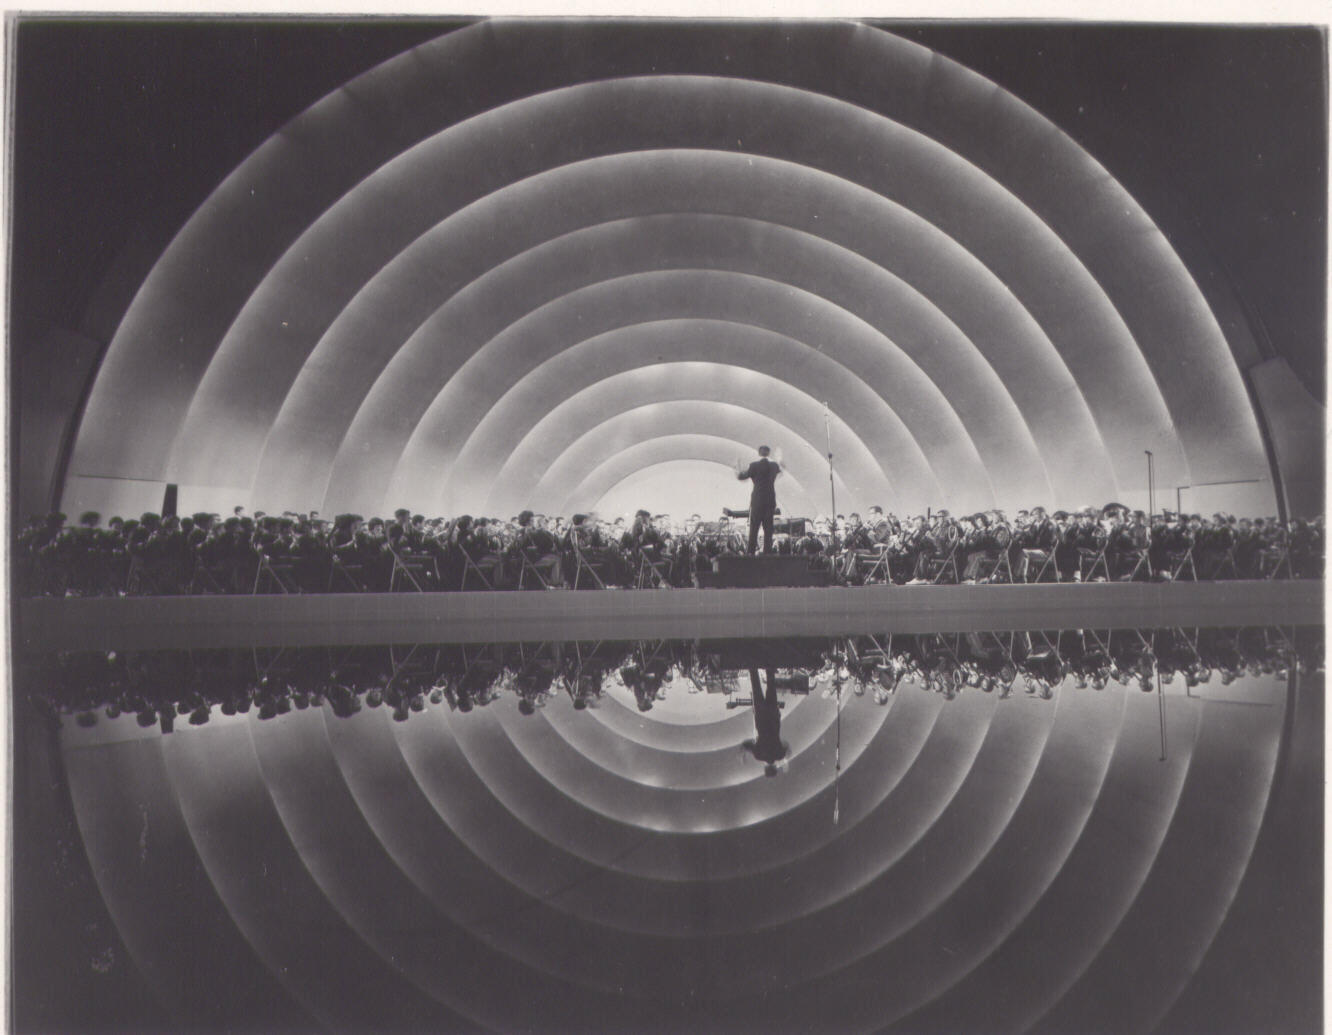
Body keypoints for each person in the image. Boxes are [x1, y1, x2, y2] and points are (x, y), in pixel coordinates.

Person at [741, 668, 789, 776]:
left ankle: (769, 665)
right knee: (756, 687)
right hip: (761, 718)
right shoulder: (759, 756)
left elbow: (786, 746)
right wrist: (743, 754)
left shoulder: (779, 754)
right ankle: (752, 667)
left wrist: (785, 759)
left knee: (771, 687)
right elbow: (746, 745)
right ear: (765, 768)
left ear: (775, 767)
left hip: (773, 718)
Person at [736, 445, 781, 555]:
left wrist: (737, 467)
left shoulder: (754, 466)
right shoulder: (774, 466)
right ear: (768, 453)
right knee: (768, 529)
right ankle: (767, 553)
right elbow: (779, 471)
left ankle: (751, 553)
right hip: (770, 500)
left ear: (758, 453)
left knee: (754, 528)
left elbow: (741, 477)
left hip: (757, 501)